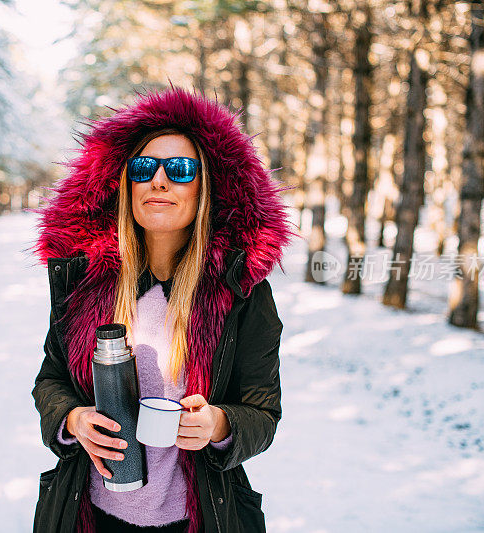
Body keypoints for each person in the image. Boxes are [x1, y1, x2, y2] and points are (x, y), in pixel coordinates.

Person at [28, 86, 297, 533]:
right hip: (91, 515)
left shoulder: (240, 291)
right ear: (125, 184)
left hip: (199, 518)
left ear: (204, 189)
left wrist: (219, 423)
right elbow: (51, 380)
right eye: (143, 167)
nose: (159, 180)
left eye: (179, 168)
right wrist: (73, 419)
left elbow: (263, 412)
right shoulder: (85, 281)